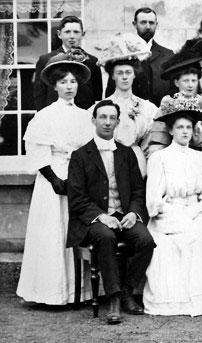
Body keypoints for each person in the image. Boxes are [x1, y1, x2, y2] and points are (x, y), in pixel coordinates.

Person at [143, 97, 202, 316]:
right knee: (182, 239)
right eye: (180, 127)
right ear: (170, 130)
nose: (185, 132)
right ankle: (179, 299)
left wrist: (195, 210)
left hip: (197, 210)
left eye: (189, 127)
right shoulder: (160, 158)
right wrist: (176, 212)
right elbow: (154, 199)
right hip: (168, 213)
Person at [16, 52, 97, 306]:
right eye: (63, 82)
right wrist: (53, 179)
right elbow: (38, 149)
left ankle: (79, 291)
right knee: (53, 231)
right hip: (54, 180)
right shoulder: (45, 115)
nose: (69, 87)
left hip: (78, 179)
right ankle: (51, 293)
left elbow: (88, 150)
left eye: (73, 82)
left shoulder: (85, 116)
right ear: (55, 85)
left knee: (77, 229)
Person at [66, 100, 154, 323]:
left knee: (146, 240)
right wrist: (102, 216)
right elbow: (77, 197)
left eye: (112, 118)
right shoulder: (80, 155)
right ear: (94, 120)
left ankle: (127, 290)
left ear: (117, 122)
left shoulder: (126, 153)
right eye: (102, 117)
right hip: (94, 219)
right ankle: (113, 299)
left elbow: (137, 190)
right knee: (105, 236)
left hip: (123, 215)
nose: (107, 122)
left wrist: (133, 213)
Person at [94, 33, 159, 175]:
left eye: (128, 72)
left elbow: (151, 139)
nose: (124, 77)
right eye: (119, 73)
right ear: (112, 75)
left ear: (134, 74)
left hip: (137, 159)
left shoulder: (147, 107)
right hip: (110, 160)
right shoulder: (101, 107)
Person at [146, 38, 202, 153]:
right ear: (176, 82)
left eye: (194, 81)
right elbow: (159, 139)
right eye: (186, 81)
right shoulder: (169, 102)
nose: (190, 85)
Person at [33, 16, 103, 110]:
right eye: (67, 32)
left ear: (83, 34)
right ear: (59, 34)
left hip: (84, 115)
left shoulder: (92, 61)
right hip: (55, 115)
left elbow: (97, 95)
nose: (72, 36)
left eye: (76, 32)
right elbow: (40, 96)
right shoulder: (46, 60)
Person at [128, 7, 175, 104]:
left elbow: (174, 90)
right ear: (135, 24)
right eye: (143, 22)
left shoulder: (167, 55)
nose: (148, 27)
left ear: (156, 25)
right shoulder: (124, 54)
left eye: (151, 23)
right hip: (132, 113)